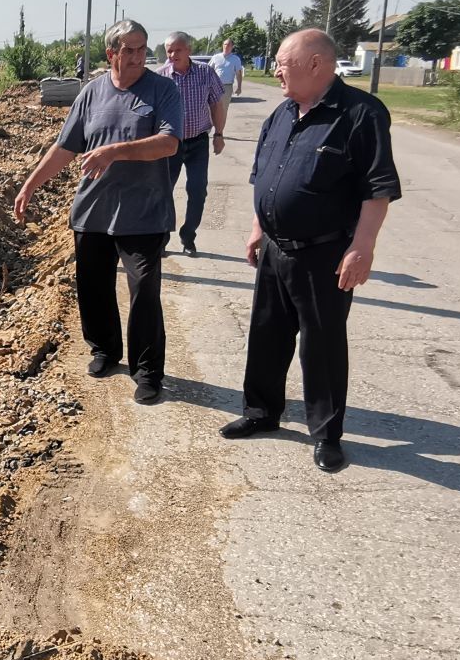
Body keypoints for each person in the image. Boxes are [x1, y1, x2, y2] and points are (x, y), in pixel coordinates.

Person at [219, 29, 401, 473]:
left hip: (324, 255)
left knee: (321, 346)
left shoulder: (360, 114)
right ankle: (261, 412)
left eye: (283, 61)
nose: (276, 69)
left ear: (316, 64)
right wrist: (258, 228)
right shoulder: (281, 115)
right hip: (277, 250)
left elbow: (376, 190)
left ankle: (326, 435)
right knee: (266, 335)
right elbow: (266, 177)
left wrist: (362, 248)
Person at [14, 20, 182, 405]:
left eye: (142, 49)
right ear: (111, 54)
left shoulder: (163, 90)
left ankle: (147, 372)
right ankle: (104, 350)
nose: (139, 56)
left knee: (143, 289)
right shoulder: (91, 93)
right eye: (129, 50)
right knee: (93, 285)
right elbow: (64, 148)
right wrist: (29, 185)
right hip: (93, 210)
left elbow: (169, 144)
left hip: (143, 213)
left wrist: (113, 150)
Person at [157, 32, 225, 256]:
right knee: (163, 190)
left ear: (188, 50)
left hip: (197, 143)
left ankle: (188, 237)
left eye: (177, 50)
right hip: (170, 144)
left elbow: (216, 104)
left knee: (197, 190)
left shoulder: (205, 73)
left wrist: (219, 134)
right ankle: (163, 238)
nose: (172, 54)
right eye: (169, 50)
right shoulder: (161, 77)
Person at [209, 38, 244, 111]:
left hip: (227, 87)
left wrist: (239, 87)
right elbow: (208, 70)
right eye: (225, 44)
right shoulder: (215, 57)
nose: (226, 46)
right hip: (214, 86)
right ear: (222, 45)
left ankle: (221, 122)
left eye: (228, 45)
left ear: (232, 47)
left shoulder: (235, 59)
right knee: (212, 108)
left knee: (223, 109)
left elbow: (238, 73)